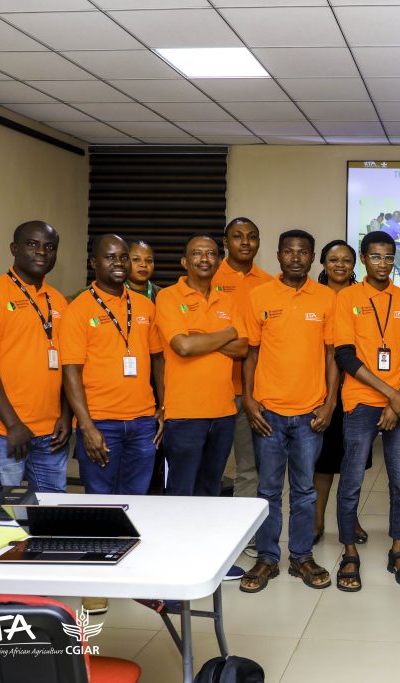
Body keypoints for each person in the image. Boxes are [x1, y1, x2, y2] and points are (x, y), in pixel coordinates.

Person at [61, 234, 165, 616]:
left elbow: (157, 359)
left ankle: (128, 571)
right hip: (100, 422)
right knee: (100, 501)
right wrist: (85, 425)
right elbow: (70, 371)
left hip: (141, 421)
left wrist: (162, 405)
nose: (119, 263)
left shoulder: (143, 305)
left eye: (123, 257)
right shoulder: (78, 309)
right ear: (94, 263)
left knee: (135, 500)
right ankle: (95, 582)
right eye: (110, 257)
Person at [240, 229, 338, 593]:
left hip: (310, 413)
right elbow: (250, 353)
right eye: (289, 252)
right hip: (268, 412)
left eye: (303, 253)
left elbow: (332, 356)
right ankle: (267, 557)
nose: (296, 258)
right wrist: (249, 400)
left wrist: (328, 403)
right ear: (279, 255)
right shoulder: (259, 296)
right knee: (267, 490)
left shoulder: (327, 298)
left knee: (304, 490)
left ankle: (301, 556)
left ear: (312, 258)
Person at [333, 231, 400, 591]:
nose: (382, 264)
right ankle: (349, 552)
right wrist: (391, 396)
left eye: (388, 257)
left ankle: (397, 549)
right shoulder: (348, 299)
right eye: (375, 257)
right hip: (360, 403)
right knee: (352, 481)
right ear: (362, 258)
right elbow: (345, 356)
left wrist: (398, 399)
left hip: (398, 404)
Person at [0, 221, 72, 492]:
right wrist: (13, 424)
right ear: (14, 248)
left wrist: (65, 415)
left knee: (50, 512)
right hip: (4, 431)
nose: (41, 252)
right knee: (1, 512)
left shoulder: (59, 302)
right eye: (32, 244)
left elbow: (67, 364)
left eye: (49, 246)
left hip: (51, 434)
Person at [156, 235, 247, 497]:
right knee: (182, 490)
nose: (204, 259)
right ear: (185, 261)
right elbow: (182, 347)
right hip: (185, 414)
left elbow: (241, 348)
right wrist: (227, 332)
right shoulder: (169, 297)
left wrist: (199, 337)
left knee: (210, 489)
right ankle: (179, 539)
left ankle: (206, 539)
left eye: (210, 254)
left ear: (218, 261)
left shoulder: (227, 302)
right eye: (197, 253)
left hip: (223, 413)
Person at [312, 241, 370, 546]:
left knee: (354, 461)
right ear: (322, 263)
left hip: (359, 387)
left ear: (354, 264)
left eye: (346, 260)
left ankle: (350, 519)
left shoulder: (362, 295)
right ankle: (317, 519)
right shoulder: (315, 296)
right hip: (319, 388)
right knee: (323, 462)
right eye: (333, 259)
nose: (339, 265)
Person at [212, 218, 272, 509]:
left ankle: (243, 535)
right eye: (237, 236)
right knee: (209, 469)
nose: (245, 242)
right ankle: (204, 532)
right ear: (225, 242)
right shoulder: (208, 277)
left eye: (252, 236)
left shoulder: (270, 283)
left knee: (249, 469)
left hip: (253, 392)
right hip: (213, 390)